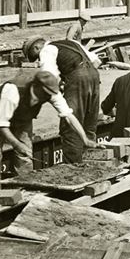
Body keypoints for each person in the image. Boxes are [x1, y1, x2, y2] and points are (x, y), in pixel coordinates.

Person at [0, 40, 97, 192]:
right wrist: (17, 144)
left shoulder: (50, 92)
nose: (47, 98)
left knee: (25, 154)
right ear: (35, 87)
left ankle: (25, 187)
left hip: (23, 116)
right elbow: (1, 124)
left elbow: (69, 116)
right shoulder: (12, 91)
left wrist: (85, 139)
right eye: (44, 95)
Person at [42, 9, 101, 163]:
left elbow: (48, 75)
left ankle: (74, 165)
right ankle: (92, 161)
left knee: (71, 124)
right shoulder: (75, 44)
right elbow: (96, 62)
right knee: (90, 121)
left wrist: (60, 85)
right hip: (94, 75)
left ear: (37, 48)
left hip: (77, 78)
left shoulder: (47, 48)